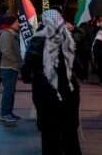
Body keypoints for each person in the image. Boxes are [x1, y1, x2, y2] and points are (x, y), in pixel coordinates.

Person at [21, 9, 82, 155]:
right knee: (69, 130)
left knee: (49, 131)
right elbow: (79, 67)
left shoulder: (37, 39)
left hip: (45, 90)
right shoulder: (68, 38)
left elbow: (27, 66)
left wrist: (28, 77)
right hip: (68, 90)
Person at [0, 16, 22, 124]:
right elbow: (6, 51)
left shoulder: (12, 34)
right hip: (8, 67)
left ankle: (9, 112)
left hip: (12, 66)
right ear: (11, 23)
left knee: (11, 92)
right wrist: (16, 62)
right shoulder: (6, 34)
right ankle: (5, 114)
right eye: (17, 22)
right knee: (8, 92)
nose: (19, 24)